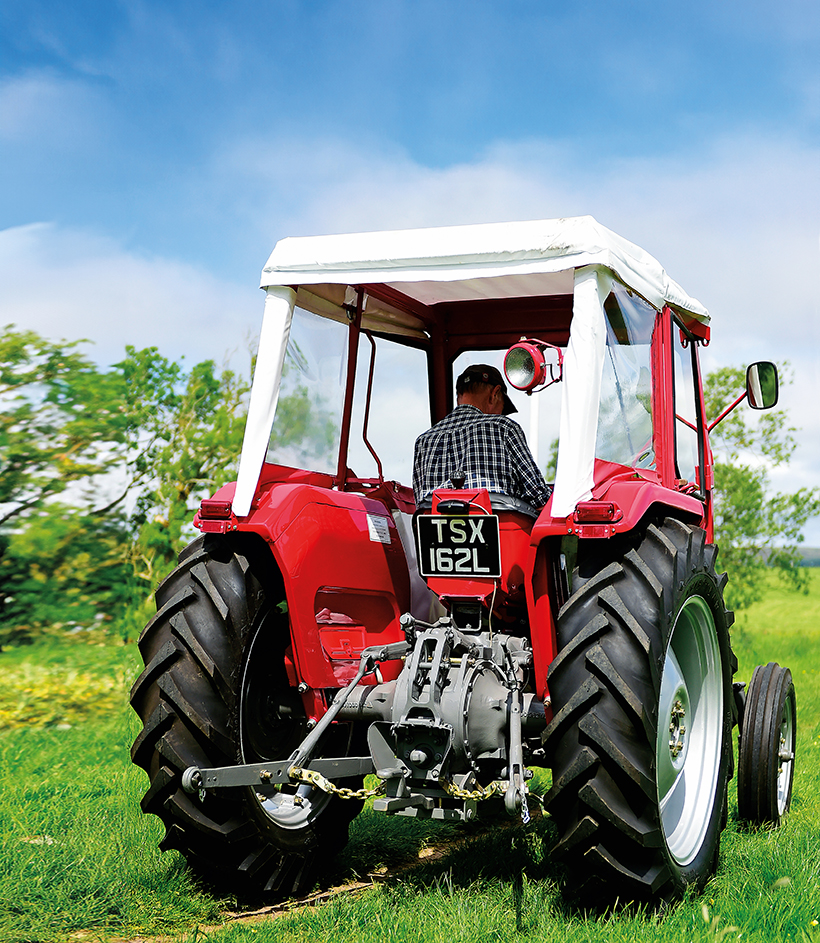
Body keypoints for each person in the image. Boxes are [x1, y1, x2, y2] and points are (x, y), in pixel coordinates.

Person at [412, 364, 551, 509]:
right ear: (495, 394)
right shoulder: (504, 428)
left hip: (435, 531)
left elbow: (420, 506)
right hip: (501, 530)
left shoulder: (423, 441)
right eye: (503, 408)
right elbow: (539, 497)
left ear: (459, 396)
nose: (500, 414)